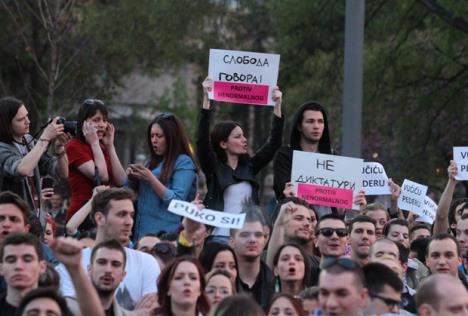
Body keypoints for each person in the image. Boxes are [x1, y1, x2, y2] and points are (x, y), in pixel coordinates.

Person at [198, 78, 283, 243]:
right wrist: (206, 100)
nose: (244, 140)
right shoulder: (213, 168)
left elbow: (274, 145)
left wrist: (278, 105)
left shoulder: (249, 167)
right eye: (238, 137)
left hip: (246, 238)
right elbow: (202, 142)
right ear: (223, 143)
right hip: (218, 237)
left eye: (244, 136)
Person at [56, 188, 160, 310]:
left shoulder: (146, 262)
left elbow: (151, 310)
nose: (129, 222)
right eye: (121, 214)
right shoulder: (70, 264)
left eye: (131, 215)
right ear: (100, 218)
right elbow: (73, 311)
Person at [126, 112, 197, 239]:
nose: (154, 140)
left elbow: (178, 201)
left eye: (159, 136)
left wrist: (150, 178)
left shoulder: (183, 162)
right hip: (140, 237)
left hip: (165, 239)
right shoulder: (150, 162)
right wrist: (131, 177)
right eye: (152, 136)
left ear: (171, 137)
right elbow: (125, 191)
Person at [0, 97, 69, 213]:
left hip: (34, 217)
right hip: (9, 218)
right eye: (21, 119)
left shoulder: (28, 140)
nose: (28, 121)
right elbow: (22, 169)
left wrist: (60, 149)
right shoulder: (2, 148)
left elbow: (62, 173)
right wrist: (45, 137)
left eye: (27, 116)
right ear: (7, 124)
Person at [66, 98, 126, 229]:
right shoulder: (74, 146)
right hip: (82, 216)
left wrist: (110, 146)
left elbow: (121, 180)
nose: (102, 125)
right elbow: (102, 176)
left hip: (103, 214)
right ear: (84, 123)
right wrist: (94, 143)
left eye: (104, 120)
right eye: (96, 120)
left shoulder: (102, 147)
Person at [229, 205, 275, 309]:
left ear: (265, 240)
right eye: (245, 235)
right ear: (232, 241)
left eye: (258, 235)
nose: (252, 240)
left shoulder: (275, 283)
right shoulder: (222, 282)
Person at [87, 239, 139, 316]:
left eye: (115, 264)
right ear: (89, 269)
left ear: (123, 275)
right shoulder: (67, 310)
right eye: (102, 262)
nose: (108, 270)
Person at [0, 233, 46, 314]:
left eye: (27, 259)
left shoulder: (58, 310)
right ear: (1, 268)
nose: (18, 266)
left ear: (42, 267)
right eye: (11, 260)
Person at [266, 198, 317, 271]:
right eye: (299, 218)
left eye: (309, 220)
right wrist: (280, 224)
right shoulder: (259, 260)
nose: (307, 224)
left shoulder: (317, 262)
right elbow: (270, 273)